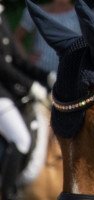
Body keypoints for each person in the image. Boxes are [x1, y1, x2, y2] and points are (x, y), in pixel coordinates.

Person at [0, 4, 54, 199]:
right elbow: (3, 67)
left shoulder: (1, 17)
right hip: (1, 95)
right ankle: (6, 194)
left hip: (9, 92)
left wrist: (46, 76)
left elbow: (17, 60)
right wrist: (30, 86)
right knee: (21, 139)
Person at [14, 0, 81, 72]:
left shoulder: (81, 13)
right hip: (39, 71)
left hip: (69, 72)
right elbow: (16, 38)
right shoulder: (35, 11)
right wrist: (25, 58)